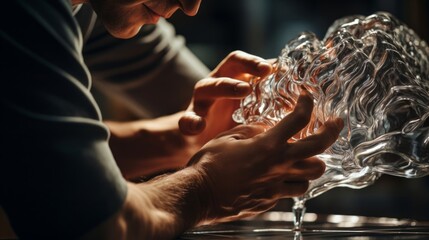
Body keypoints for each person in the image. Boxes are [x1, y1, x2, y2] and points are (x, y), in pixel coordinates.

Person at [0, 0, 344, 239]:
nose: (190, 6)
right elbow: (91, 222)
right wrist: (204, 190)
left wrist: (186, 140)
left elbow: (39, 146)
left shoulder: (96, 7)